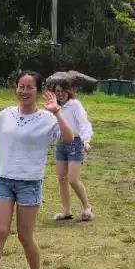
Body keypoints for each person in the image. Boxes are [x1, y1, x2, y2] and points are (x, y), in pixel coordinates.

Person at [0, 72, 74, 269]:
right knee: (1, 230)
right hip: (3, 180)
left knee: (25, 235)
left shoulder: (47, 118)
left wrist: (57, 112)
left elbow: (68, 137)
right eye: (21, 86)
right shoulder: (6, 114)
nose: (24, 91)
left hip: (29, 183)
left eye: (30, 87)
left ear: (38, 91)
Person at [51, 78, 95, 222]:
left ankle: (87, 208)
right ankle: (66, 211)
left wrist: (86, 141)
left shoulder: (74, 104)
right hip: (61, 145)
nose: (60, 94)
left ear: (68, 91)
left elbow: (84, 123)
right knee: (62, 179)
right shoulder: (54, 107)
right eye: (57, 91)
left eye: (63, 91)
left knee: (72, 178)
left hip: (75, 144)